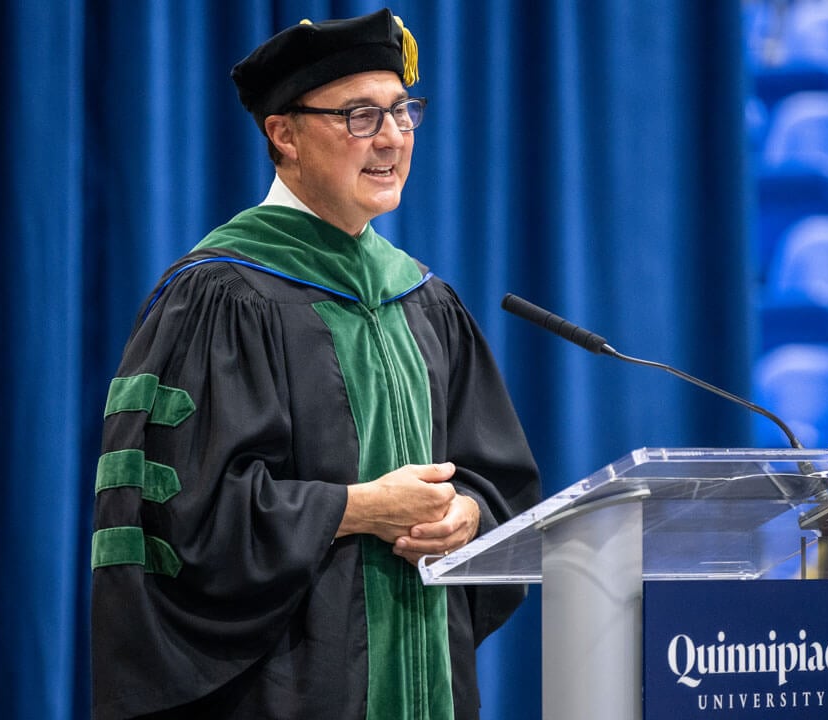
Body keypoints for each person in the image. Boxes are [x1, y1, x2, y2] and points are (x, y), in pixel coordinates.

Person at [89, 9, 542, 719]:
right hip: (283, 689)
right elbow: (183, 521)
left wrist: (469, 513)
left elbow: (497, 477)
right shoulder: (222, 294)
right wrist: (357, 510)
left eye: (402, 112)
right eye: (360, 116)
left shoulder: (422, 299)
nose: (392, 138)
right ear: (284, 133)